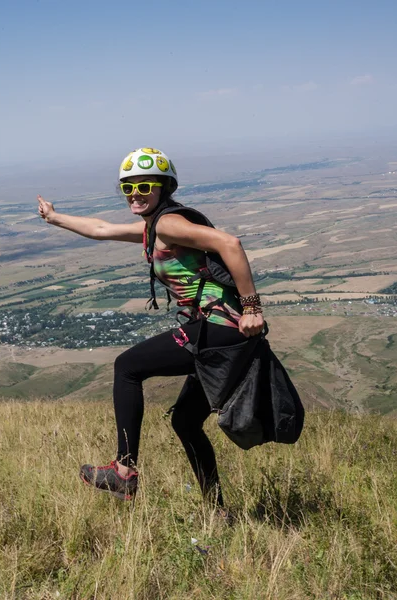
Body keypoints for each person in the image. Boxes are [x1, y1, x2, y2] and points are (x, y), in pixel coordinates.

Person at [37, 148, 264, 507]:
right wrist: (54, 218)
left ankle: (124, 471)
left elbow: (229, 243)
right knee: (186, 423)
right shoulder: (153, 227)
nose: (135, 194)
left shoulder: (170, 223)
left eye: (144, 186)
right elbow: (101, 229)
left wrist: (252, 307)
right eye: (128, 188)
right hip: (218, 332)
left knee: (127, 367)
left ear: (164, 187)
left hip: (220, 328)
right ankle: (217, 512)